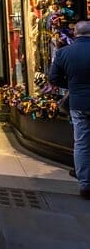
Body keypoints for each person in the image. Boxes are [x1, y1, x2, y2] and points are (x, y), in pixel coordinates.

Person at [49, 21, 90, 199]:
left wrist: (72, 86)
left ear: (74, 33)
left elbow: (53, 78)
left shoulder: (64, 52)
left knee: (81, 143)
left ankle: (85, 185)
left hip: (79, 103)